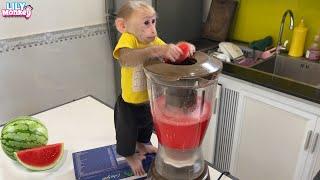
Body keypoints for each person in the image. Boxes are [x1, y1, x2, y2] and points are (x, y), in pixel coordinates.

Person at [112, 0, 195, 176]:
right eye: (146, 23)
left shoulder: (153, 40)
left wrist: (183, 48)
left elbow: (168, 54)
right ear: (123, 25)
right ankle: (129, 154)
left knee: (146, 126)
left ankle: (142, 143)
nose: (152, 29)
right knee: (127, 131)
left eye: (153, 21)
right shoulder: (129, 38)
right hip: (129, 103)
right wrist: (157, 51)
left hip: (149, 99)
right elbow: (126, 59)